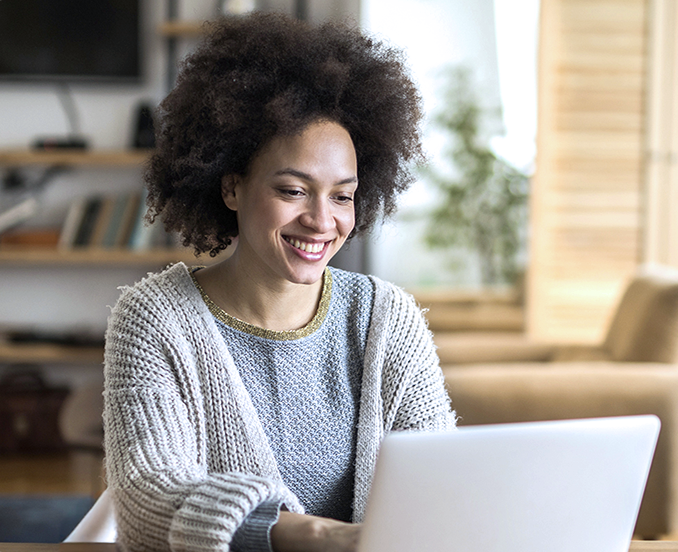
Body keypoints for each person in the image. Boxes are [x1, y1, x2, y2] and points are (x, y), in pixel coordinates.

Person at [102, 11, 457, 552]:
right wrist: (317, 535)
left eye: (342, 196)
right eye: (293, 190)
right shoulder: (155, 318)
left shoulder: (387, 318)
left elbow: (440, 483)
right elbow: (147, 500)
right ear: (231, 187)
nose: (321, 220)